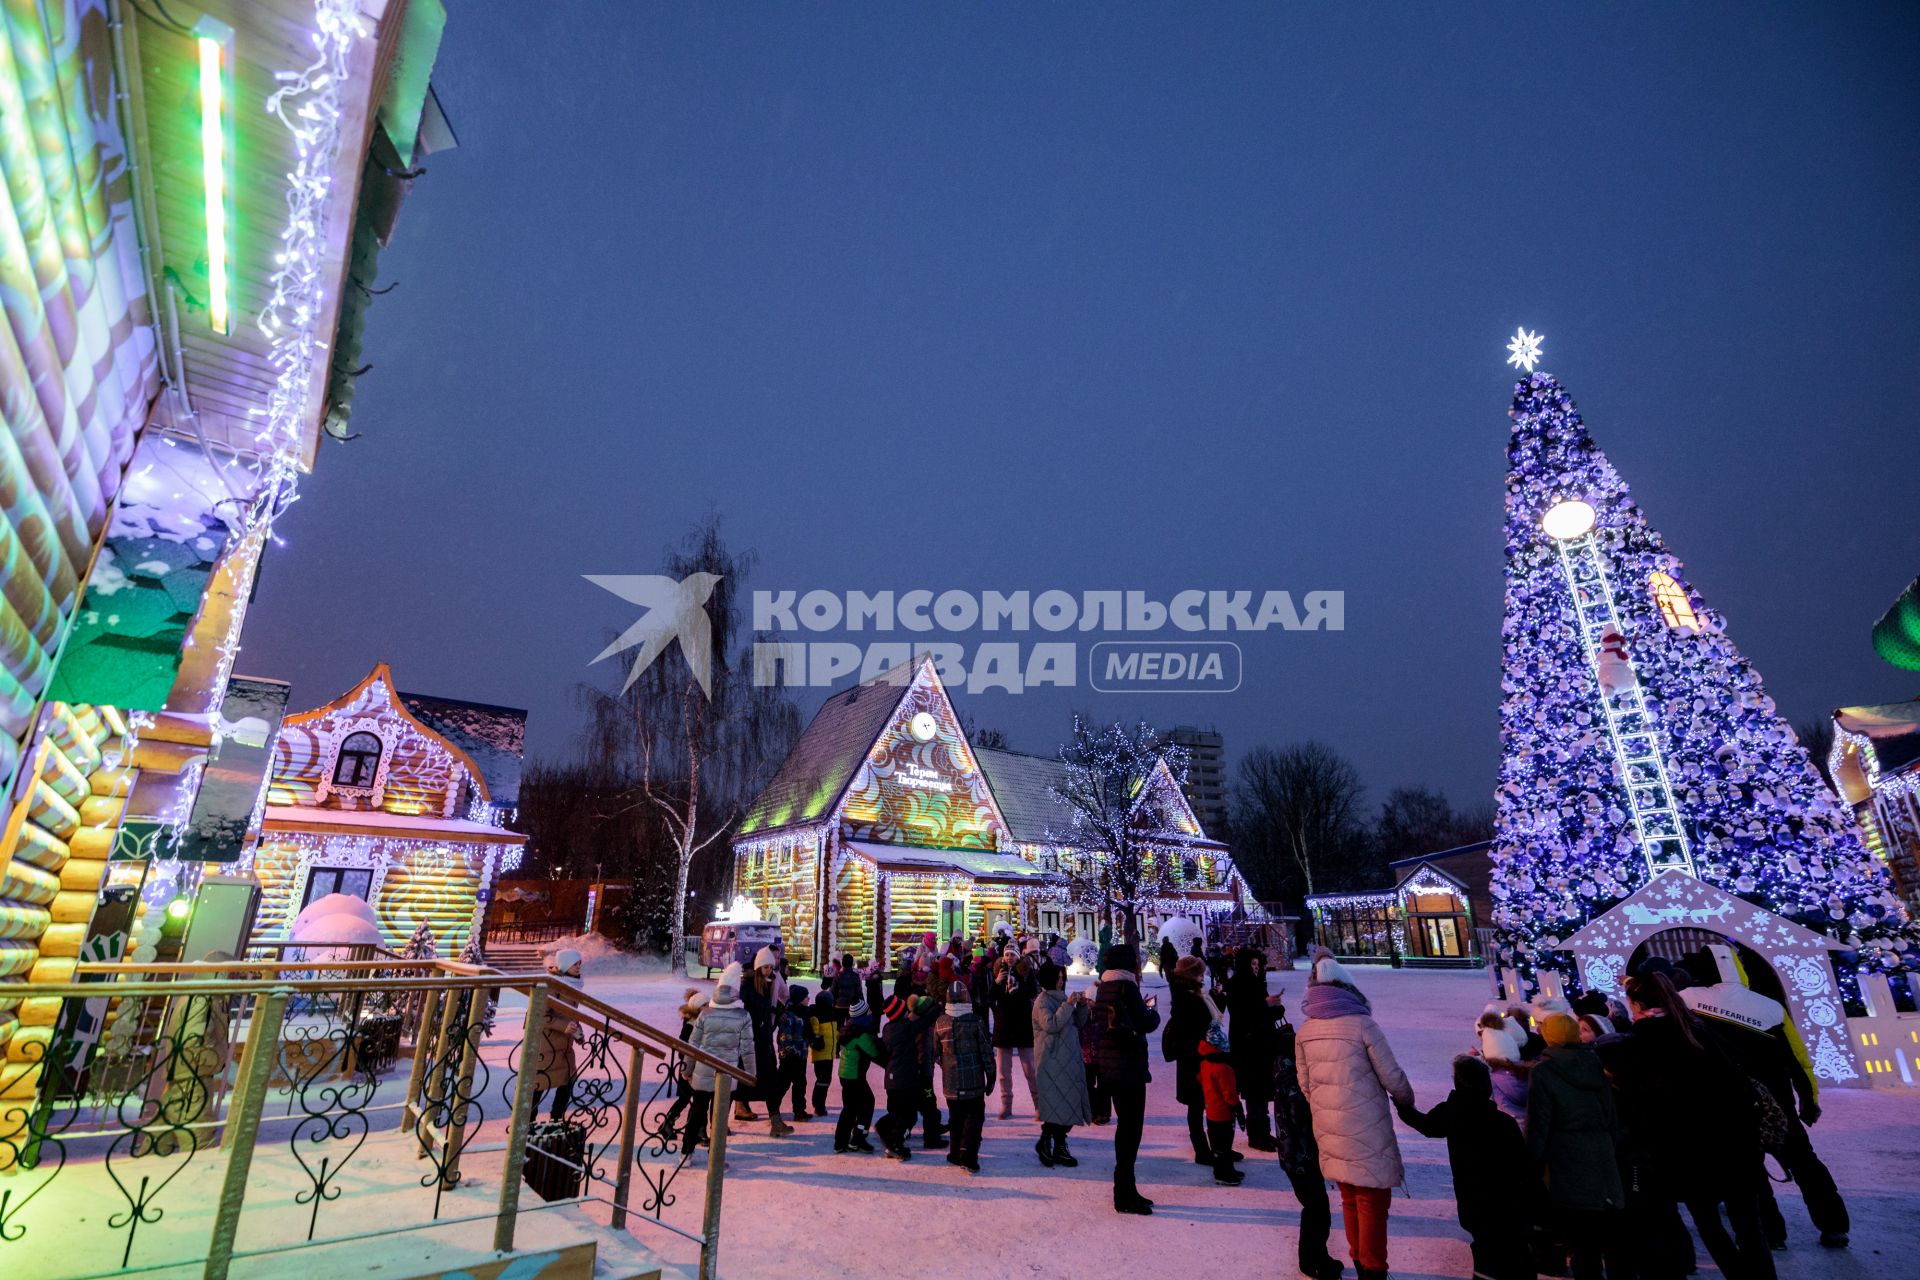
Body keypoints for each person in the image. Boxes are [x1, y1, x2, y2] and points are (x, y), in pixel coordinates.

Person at [1597, 971, 1776, 1280]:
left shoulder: (1641, 1043)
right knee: (1748, 1225)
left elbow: (1645, 1104)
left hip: (1689, 1153)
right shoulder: (1696, 1029)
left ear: (1638, 1004)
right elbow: (1739, 1083)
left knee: (1708, 1223)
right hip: (1736, 1146)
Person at [1680, 945, 1849, 1251]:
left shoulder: (1690, 1000)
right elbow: (1798, 1058)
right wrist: (1808, 1099)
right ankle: (1834, 1225)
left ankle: (1772, 1233)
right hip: (1779, 1105)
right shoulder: (1770, 1007)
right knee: (1807, 1167)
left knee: (1751, 1173)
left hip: (1731, 1105)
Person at [1296, 953, 1414, 1280]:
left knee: (1349, 1196)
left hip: (1329, 1125)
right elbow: (1392, 1076)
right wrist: (1406, 1100)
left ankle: (1360, 1259)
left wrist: (1325, 1106)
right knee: (1372, 1201)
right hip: (1366, 1124)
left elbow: (1305, 1084)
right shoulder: (1362, 1024)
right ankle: (1373, 1268)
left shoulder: (1306, 1030)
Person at [1398, 1054, 1536, 1280]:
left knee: (1486, 1252)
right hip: (1509, 1202)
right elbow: (1525, 1167)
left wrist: (1403, 1108)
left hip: (1474, 1201)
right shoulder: (1504, 1123)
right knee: (1514, 1253)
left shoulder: (1451, 1113)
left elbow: (1426, 1125)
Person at [1526, 1013, 1625, 1280]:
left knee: (1581, 1243)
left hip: (1566, 1160)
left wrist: (1532, 1163)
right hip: (1602, 1157)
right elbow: (1610, 1115)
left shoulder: (1544, 1071)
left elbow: (1539, 1122)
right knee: (1608, 1237)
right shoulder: (1595, 1063)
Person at [1272, 991, 1343, 1280]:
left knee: (1316, 1207)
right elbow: (1303, 1119)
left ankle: (1317, 1255)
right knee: (1316, 1208)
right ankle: (1312, 1260)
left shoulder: (1284, 1075)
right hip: (1300, 1155)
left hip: (1295, 1154)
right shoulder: (1293, 1084)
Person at [1091, 942, 1160, 1215]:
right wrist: (1151, 1011)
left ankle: (1127, 1190)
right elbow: (1146, 1022)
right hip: (1127, 1067)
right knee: (1131, 1131)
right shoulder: (1126, 987)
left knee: (1126, 1130)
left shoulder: (1105, 987)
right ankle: (1124, 1193)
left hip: (1110, 1067)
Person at [685, 963, 755, 1162]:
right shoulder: (743, 1016)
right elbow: (748, 1049)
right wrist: (750, 1074)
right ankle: (716, 1157)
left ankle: (686, 1153)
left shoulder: (705, 1014)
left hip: (702, 1072)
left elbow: (693, 1045)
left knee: (696, 1112)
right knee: (719, 1116)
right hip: (726, 1074)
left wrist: (687, 1068)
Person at [1032, 960, 1092, 1168]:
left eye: (1062, 977)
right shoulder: (1042, 1001)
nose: (1060, 981)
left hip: (1067, 1059)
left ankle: (1055, 1144)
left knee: (1065, 1104)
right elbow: (1052, 1024)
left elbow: (1076, 1022)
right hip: (1052, 1060)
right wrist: (1069, 1005)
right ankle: (1050, 1142)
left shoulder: (1061, 998)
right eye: (1057, 978)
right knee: (1058, 1105)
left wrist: (1082, 1007)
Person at [1166, 956, 1222, 1169]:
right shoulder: (1187, 999)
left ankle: (1217, 1146)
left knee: (1208, 1103)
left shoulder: (1197, 995)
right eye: (1199, 974)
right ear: (1191, 976)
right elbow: (1195, 1028)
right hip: (1194, 1059)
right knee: (1197, 1105)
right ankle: (1202, 1149)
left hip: (1203, 1056)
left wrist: (1218, 999)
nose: (1203, 977)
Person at [1228, 945, 1284, 1152]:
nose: (1256, 968)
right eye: (1252, 964)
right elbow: (1242, 1015)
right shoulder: (1237, 985)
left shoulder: (1258, 984)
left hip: (1262, 1045)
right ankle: (1256, 1134)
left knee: (1262, 1091)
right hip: (1248, 1047)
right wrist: (1265, 1006)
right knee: (1254, 1092)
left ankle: (1264, 1132)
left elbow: (1262, 1014)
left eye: (1258, 964)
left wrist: (1274, 1006)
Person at [935, 979, 995, 1173]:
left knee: (956, 1117)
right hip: (974, 1081)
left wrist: (947, 1064)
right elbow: (986, 1051)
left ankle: (955, 1153)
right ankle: (968, 1156)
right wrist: (991, 1075)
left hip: (950, 1083)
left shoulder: (941, 1022)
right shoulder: (975, 1021)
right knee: (974, 1117)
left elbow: (935, 1053)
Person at [1195, 973, 1246, 1186]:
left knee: (1218, 1145)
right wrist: (1237, 1109)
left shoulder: (1206, 1063)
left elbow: (1201, 1078)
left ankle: (1221, 1168)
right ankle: (1224, 1172)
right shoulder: (1222, 1067)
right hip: (1223, 1112)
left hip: (1211, 1110)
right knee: (1223, 1143)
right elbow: (1229, 1093)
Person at [877, 994, 938, 1159]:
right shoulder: (905, 1028)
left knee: (897, 1113)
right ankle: (893, 1143)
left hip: (891, 1080)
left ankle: (890, 1138)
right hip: (904, 1080)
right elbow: (924, 1022)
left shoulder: (888, 1029)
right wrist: (937, 1007)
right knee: (908, 1116)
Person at [529, 949, 585, 1123]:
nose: (578, 967)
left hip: (564, 1045)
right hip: (546, 1043)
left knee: (567, 1080)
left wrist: (578, 1032)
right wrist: (563, 1026)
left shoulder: (573, 984)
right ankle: (527, 1122)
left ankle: (557, 1119)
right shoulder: (551, 985)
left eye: (579, 964)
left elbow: (571, 1014)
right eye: (575, 964)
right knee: (537, 1083)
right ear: (566, 965)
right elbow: (538, 1013)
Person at [991, 950, 1040, 1119]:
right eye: (1006, 954)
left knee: (1030, 1068)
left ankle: (1039, 1104)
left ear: (1018, 956)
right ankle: (1006, 1105)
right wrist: (997, 983)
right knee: (1003, 1071)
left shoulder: (1026, 971)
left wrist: (1019, 990)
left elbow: (1034, 992)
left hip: (1022, 1024)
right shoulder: (998, 972)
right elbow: (991, 997)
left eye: (1012, 954)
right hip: (1004, 1025)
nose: (1009, 957)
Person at [833, 998, 882, 1153]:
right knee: (866, 1104)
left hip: (846, 1075)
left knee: (850, 1108)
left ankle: (841, 1142)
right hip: (854, 1077)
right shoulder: (861, 1036)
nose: (871, 1014)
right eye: (869, 1012)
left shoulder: (850, 1029)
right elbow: (875, 1052)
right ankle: (858, 1139)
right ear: (863, 1017)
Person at [776, 983, 813, 1122]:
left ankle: (799, 1110)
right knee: (783, 1084)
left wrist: (813, 1040)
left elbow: (806, 1034)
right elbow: (785, 1037)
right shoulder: (789, 1016)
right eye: (805, 997)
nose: (808, 999)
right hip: (789, 1057)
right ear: (798, 999)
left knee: (800, 1083)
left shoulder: (804, 1013)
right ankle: (773, 1109)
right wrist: (791, 1052)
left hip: (801, 1056)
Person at [808, 986, 842, 1118]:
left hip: (829, 1053)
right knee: (823, 1080)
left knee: (825, 1079)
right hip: (821, 1054)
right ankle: (819, 1105)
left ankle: (819, 1103)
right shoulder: (816, 1016)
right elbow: (813, 1035)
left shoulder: (832, 1014)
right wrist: (817, 1041)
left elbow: (835, 1032)